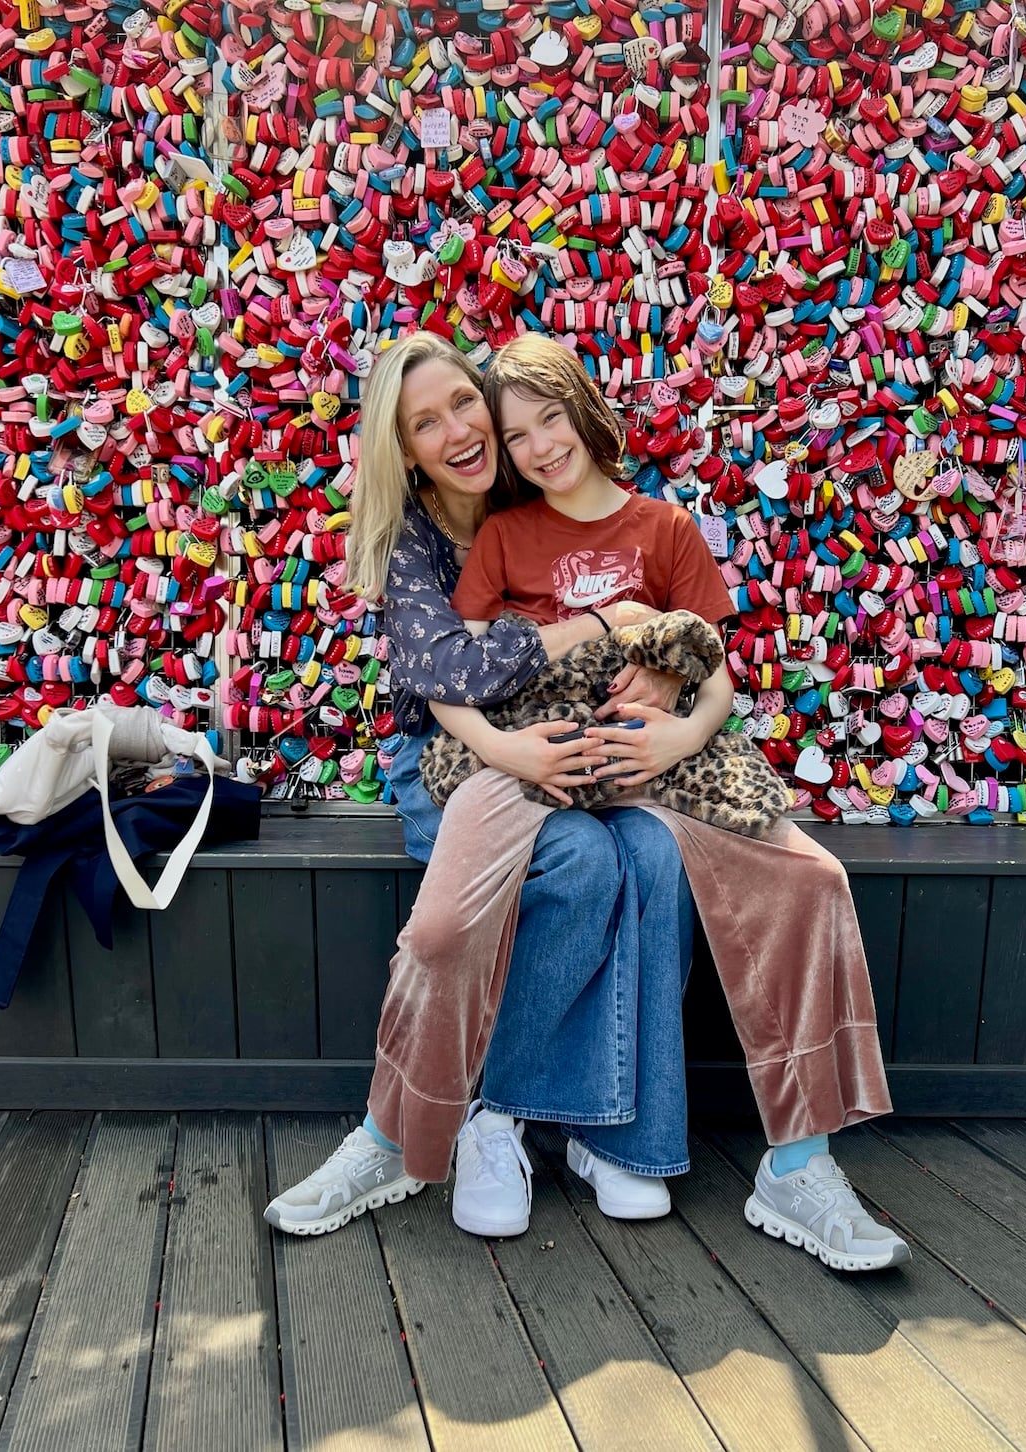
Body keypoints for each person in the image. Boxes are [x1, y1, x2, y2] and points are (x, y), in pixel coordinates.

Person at [442, 334, 910, 1273]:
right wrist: (511, 747)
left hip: (670, 773)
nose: (538, 448)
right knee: (630, 864)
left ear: (583, 406)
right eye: (516, 435)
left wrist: (681, 734)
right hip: (556, 777)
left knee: (813, 880)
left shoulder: (664, 528)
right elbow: (457, 669)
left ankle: (801, 1164)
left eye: (549, 420)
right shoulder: (504, 537)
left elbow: (721, 676)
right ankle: (553, 1126)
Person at [264, 333, 701, 1242]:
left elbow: (645, 588)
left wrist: (660, 672)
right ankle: (409, 1130)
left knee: (636, 858)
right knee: (575, 865)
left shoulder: (530, 489)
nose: (458, 430)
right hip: (447, 756)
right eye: (426, 422)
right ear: (404, 447)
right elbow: (442, 670)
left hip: (567, 744)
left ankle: (548, 1117)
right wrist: (579, 637)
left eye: (466, 404)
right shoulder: (412, 536)